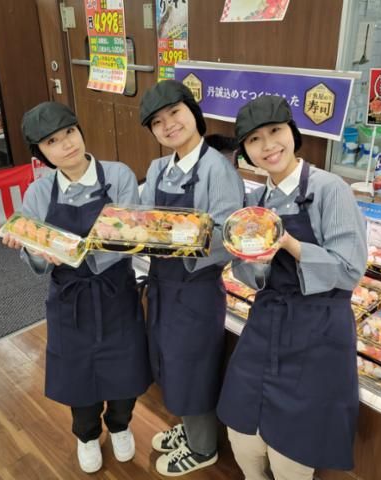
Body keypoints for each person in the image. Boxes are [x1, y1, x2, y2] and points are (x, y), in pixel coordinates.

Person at [216, 95, 367, 480]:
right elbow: (247, 275)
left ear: (292, 133)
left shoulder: (330, 188)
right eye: (254, 140)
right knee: (242, 433)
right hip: (266, 322)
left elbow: (350, 271)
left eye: (275, 131)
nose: (268, 145)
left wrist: (289, 243)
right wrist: (256, 260)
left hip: (319, 330)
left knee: (293, 453)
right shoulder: (256, 201)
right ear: (246, 151)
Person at [3, 102, 152, 474]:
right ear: (41, 153)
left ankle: (120, 425)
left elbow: (130, 236)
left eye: (69, 132)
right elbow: (36, 257)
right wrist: (31, 248)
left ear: (80, 131)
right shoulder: (39, 193)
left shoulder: (118, 175)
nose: (66, 144)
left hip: (116, 293)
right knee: (77, 376)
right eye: (52, 141)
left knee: (125, 373)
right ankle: (86, 435)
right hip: (69, 301)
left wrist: (74, 252)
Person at [139, 80, 244, 476]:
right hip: (162, 286)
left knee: (194, 368)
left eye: (175, 113)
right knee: (169, 360)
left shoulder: (218, 169)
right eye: (157, 121)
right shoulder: (157, 168)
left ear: (193, 113)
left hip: (196, 289)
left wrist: (174, 238)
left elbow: (228, 236)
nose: (168, 125)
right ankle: (188, 428)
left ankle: (203, 448)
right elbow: (144, 223)